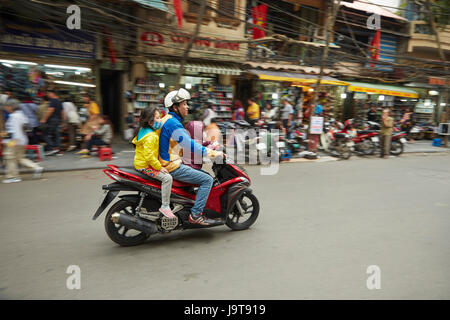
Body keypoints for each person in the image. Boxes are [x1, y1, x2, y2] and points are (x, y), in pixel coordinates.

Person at [159, 88, 223, 226]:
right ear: (175, 107)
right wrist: (213, 153)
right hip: (172, 166)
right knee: (207, 179)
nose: (187, 107)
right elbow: (189, 145)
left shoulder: (169, 120)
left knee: (200, 174)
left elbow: (186, 143)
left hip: (170, 162)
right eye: (184, 104)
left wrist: (205, 145)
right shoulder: (172, 123)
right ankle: (195, 214)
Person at [132, 106, 175, 219]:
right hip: (144, 166)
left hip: (141, 162)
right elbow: (149, 156)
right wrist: (159, 167)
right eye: (157, 118)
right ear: (150, 122)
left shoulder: (145, 130)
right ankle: (165, 206)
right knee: (167, 178)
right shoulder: (150, 136)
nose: (160, 120)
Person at [1, 99, 43, 183]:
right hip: (22, 140)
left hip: (14, 141)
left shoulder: (14, 117)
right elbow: (27, 128)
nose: (5, 108)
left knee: (10, 158)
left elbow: (14, 131)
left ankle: (13, 176)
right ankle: (36, 167)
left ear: (11, 107)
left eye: (6, 106)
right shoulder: (22, 115)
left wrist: (11, 142)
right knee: (20, 158)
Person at [40, 90, 65, 156]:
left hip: (52, 120)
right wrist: (63, 122)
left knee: (45, 134)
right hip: (58, 120)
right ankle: (58, 150)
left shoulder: (53, 101)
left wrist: (44, 119)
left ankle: (52, 148)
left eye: (48, 93)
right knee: (57, 135)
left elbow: (50, 110)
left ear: (53, 94)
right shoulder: (59, 101)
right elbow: (62, 113)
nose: (48, 95)